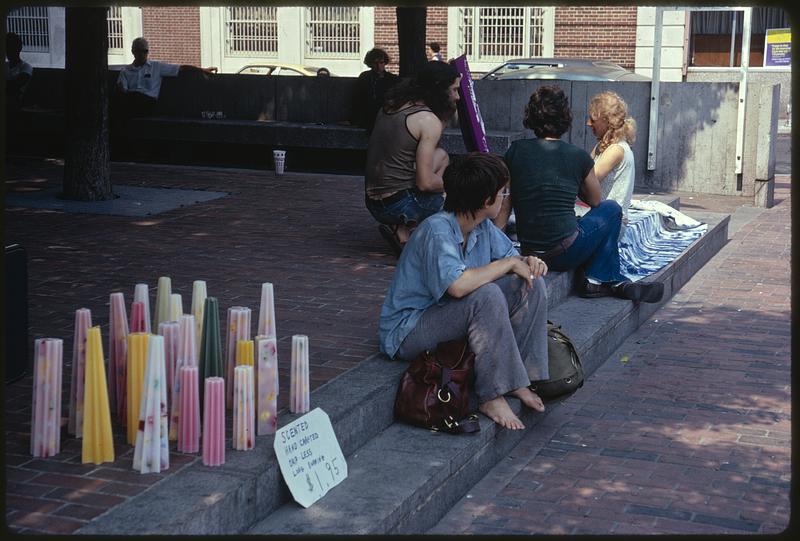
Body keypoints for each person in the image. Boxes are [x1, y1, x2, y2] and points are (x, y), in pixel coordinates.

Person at [379, 152, 549, 430]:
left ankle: (520, 379)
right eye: (502, 192)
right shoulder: (437, 230)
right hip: (408, 330)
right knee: (487, 295)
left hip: (446, 316)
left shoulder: (482, 226)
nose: (505, 197)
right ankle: (491, 394)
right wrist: (508, 264)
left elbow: (513, 262)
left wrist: (529, 263)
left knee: (531, 283)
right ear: (486, 200)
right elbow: (457, 287)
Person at [505, 85, 663, 303]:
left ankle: (611, 282)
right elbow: (596, 200)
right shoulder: (577, 156)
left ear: (531, 117)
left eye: (592, 119)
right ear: (565, 118)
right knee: (612, 209)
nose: (588, 123)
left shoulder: (514, 151)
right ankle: (601, 280)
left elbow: (505, 205)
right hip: (564, 252)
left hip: (530, 251)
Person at [364, 61, 461, 256]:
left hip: (373, 201)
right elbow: (425, 183)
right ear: (439, 90)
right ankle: (418, 232)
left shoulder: (392, 105)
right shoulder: (427, 120)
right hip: (398, 204)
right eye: (454, 90)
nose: (457, 97)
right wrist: (459, 187)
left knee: (441, 156)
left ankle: (403, 229)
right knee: (458, 202)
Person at [116, 37, 217, 118]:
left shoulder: (156, 67)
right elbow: (123, 91)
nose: (143, 54)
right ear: (133, 51)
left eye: (145, 51)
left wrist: (202, 70)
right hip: (131, 103)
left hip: (148, 103)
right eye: (139, 51)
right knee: (127, 99)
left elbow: (181, 68)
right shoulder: (125, 71)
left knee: (135, 98)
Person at [587, 91, 637, 229]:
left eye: (592, 119)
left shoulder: (616, 150)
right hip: (602, 219)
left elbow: (587, 180)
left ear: (606, 120)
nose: (588, 123)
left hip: (609, 225)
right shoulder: (603, 146)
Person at [351, 48, 399, 132]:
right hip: (368, 112)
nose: (378, 66)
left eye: (381, 62)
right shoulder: (365, 77)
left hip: (385, 112)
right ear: (371, 64)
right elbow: (358, 98)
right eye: (375, 63)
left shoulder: (391, 78)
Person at [5, 32, 33, 113]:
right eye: (7, 47)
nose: (8, 51)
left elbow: (15, 86)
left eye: (11, 47)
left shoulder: (26, 67)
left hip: (15, 105)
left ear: (19, 48)